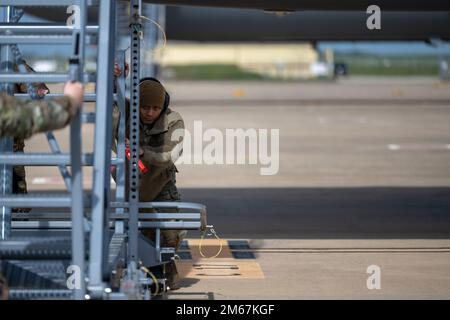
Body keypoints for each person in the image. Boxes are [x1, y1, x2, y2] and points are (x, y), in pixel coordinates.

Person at [112, 63, 185, 290]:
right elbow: (111, 108)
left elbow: (170, 154)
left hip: (161, 184)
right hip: (132, 185)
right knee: (134, 236)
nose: (149, 113)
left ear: (162, 106)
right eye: (144, 107)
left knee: (168, 235)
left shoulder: (173, 120)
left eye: (155, 108)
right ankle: (139, 275)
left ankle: (166, 271)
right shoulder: (127, 113)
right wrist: (117, 79)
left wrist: (144, 153)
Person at [0, 81, 84, 139]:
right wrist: (69, 102)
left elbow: (33, 82)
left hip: (14, 142)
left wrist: (38, 91)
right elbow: (28, 117)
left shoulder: (15, 63)